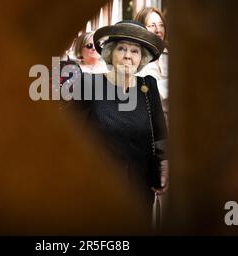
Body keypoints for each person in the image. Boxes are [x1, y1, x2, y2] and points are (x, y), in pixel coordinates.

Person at [70, 20, 169, 223]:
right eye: (122, 48)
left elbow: (160, 135)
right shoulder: (90, 84)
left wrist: (163, 166)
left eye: (134, 51)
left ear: (142, 58)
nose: (127, 56)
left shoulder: (148, 86)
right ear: (109, 53)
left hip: (140, 189)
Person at [135, 7, 169, 119]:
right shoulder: (134, 58)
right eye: (152, 25)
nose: (158, 30)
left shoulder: (171, 56)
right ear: (140, 29)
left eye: (161, 25)